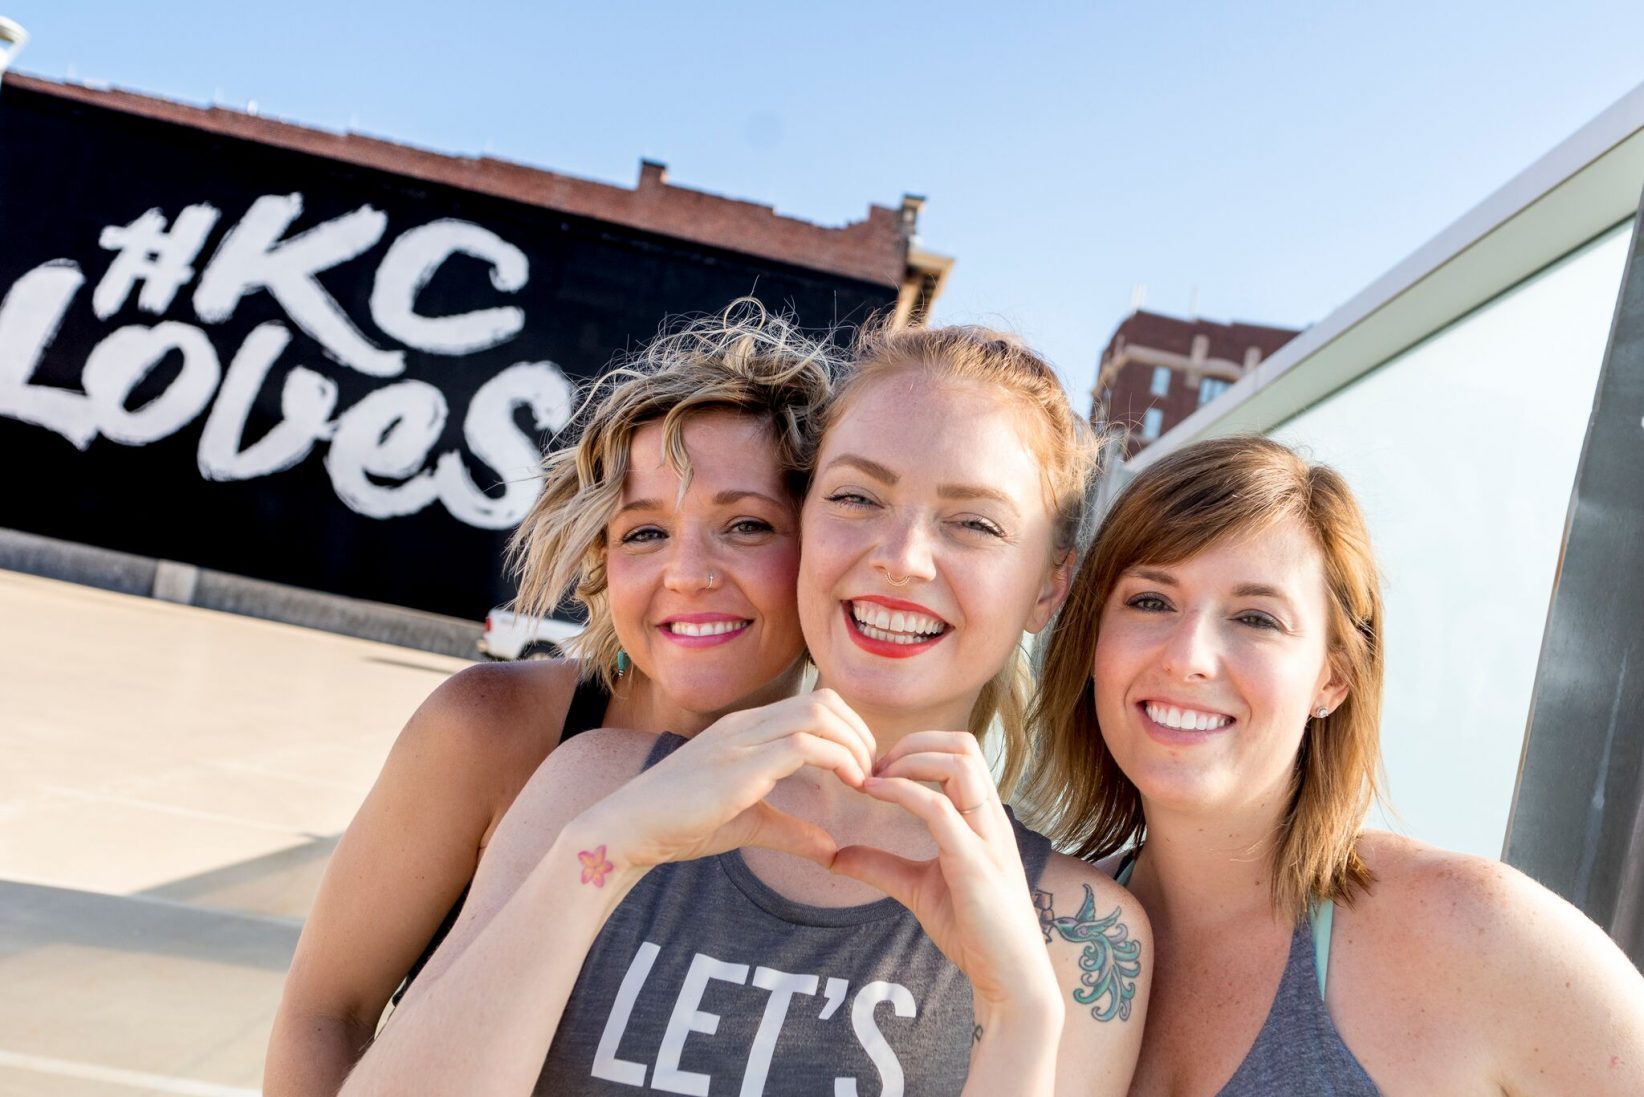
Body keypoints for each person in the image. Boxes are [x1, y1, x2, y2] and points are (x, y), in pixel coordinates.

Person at [340, 326, 1153, 1096]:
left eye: (974, 522)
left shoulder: (1088, 940)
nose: (901, 558)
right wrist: (601, 857)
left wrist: (1020, 1017)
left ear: (1049, 584)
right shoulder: (594, 786)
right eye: (857, 497)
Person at [264, 301, 839, 1095]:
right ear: (600, 561)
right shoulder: (492, 729)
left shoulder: (850, 795)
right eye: (644, 532)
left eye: (745, 524)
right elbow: (329, 1009)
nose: (688, 572)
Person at [1020, 434, 1644, 1095]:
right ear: (1093, 639)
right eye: (1151, 600)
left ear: (1333, 679)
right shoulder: (1038, 935)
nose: (1188, 656)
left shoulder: (1470, 930)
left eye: (1256, 617)